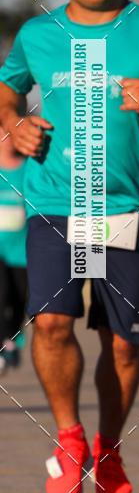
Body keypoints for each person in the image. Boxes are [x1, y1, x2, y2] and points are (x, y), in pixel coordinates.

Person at [0, 0, 139, 493]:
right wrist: (16, 122)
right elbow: (7, 89)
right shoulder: (39, 34)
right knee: (52, 323)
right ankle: (69, 437)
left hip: (127, 208)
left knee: (123, 343)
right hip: (56, 202)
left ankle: (109, 447)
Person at [0, 123, 27, 374]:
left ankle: (13, 340)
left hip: (22, 251)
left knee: (19, 300)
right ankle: (5, 342)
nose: (6, 138)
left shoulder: (29, 170)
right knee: (1, 293)